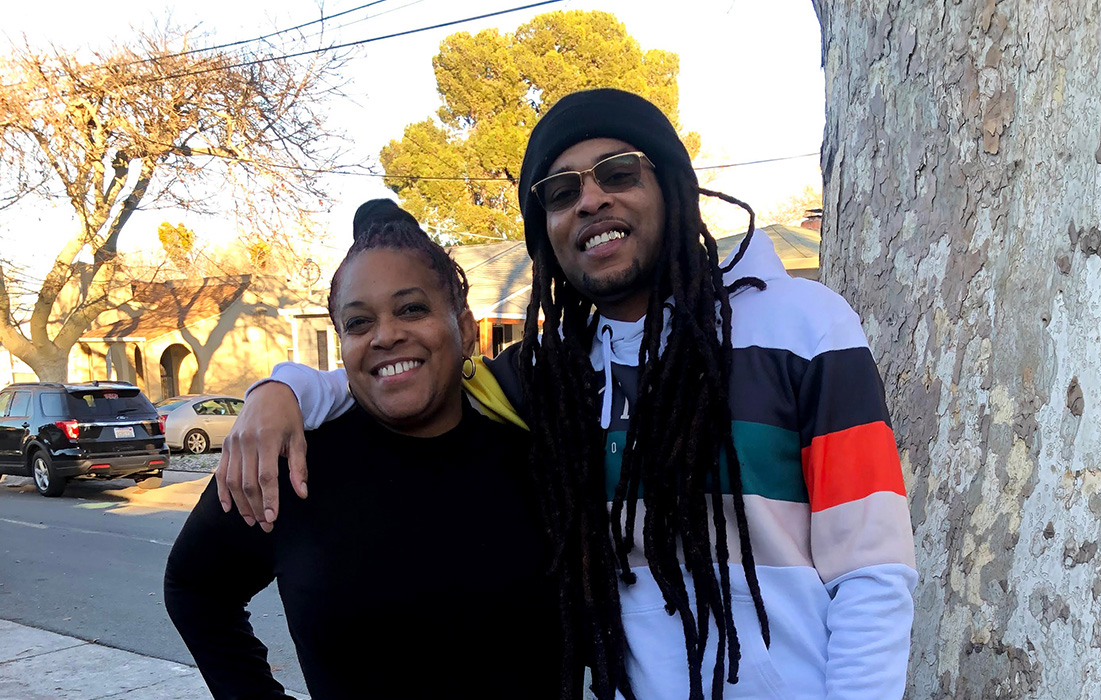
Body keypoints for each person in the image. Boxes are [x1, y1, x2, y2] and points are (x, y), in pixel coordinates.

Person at [219, 89, 918, 700]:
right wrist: (283, 389)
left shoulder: (806, 326)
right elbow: (404, 374)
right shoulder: (545, 380)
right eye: (559, 191)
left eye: (618, 172)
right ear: (546, 231)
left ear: (671, 187)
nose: (589, 199)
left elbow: (872, 571)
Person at [164, 218, 563, 699]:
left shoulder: (539, 456)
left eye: (412, 309)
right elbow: (195, 590)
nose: (385, 336)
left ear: (464, 327)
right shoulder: (292, 464)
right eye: (358, 322)